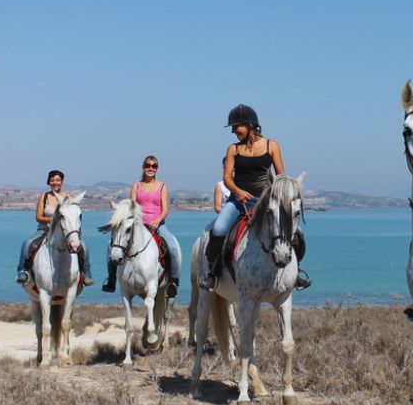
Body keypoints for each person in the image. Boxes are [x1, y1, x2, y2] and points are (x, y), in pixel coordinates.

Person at [199, 104, 310, 291]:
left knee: (297, 233)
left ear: (250, 125)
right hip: (238, 201)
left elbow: (281, 177)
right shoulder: (233, 149)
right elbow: (227, 177)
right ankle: (212, 272)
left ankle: (295, 271)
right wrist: (239, 192)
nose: (234, 131)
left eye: (236, 127)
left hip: (266, 202)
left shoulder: (271, 145)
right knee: (218, 229)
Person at [101, 155, 182, 297]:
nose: (150, 168)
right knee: (111, 245)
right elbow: (132, 207)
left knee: (172, 247)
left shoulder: (162, 187)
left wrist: (157, 221)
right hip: (138, 225)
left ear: (157, 169)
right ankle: (112, 279)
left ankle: (173, 281)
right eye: (148, 165)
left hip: (157, 224)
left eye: (154, 166)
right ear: (143, 167)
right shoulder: (136, 186)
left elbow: (165, 210)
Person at [15, 170, 93, 286]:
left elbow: (73, 215)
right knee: (27, 243)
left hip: (64, 231)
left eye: (57, 180)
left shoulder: (68, 198)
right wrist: (52, 220)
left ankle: (85, 273)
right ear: (48, 182)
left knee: (84, 246)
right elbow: (38, 216)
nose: (55, 182)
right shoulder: (44, 196)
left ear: (62, 182)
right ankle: (23, 271)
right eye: (52, 180)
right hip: (45, 229)